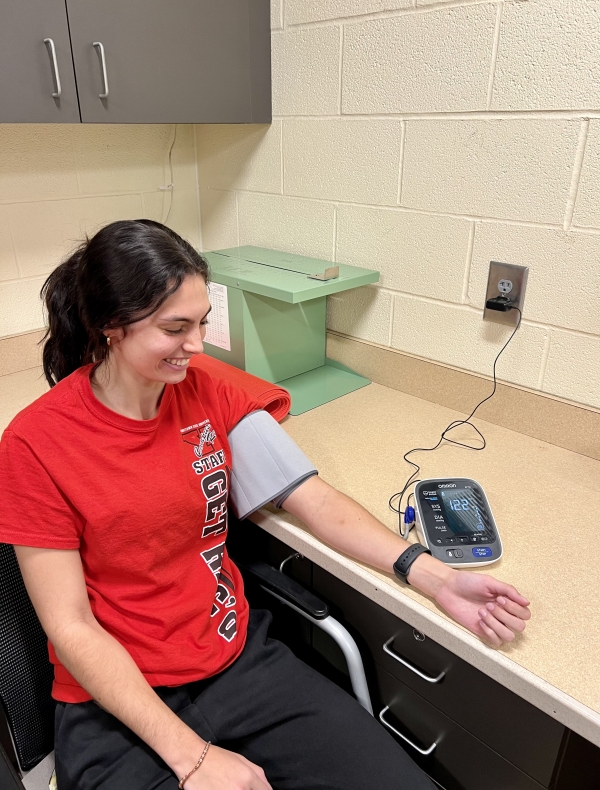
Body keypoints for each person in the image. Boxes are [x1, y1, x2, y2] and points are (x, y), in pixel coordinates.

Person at [0, 220, 531, 790]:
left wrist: (431, 574)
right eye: (174, 328)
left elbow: (314, 500)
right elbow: (72, 628)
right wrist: (195, 759)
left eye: (202, 323)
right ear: (109, 327)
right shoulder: (37, 445)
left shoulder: (204, 388)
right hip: (116, 703)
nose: (197, 346)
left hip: (235, 662)